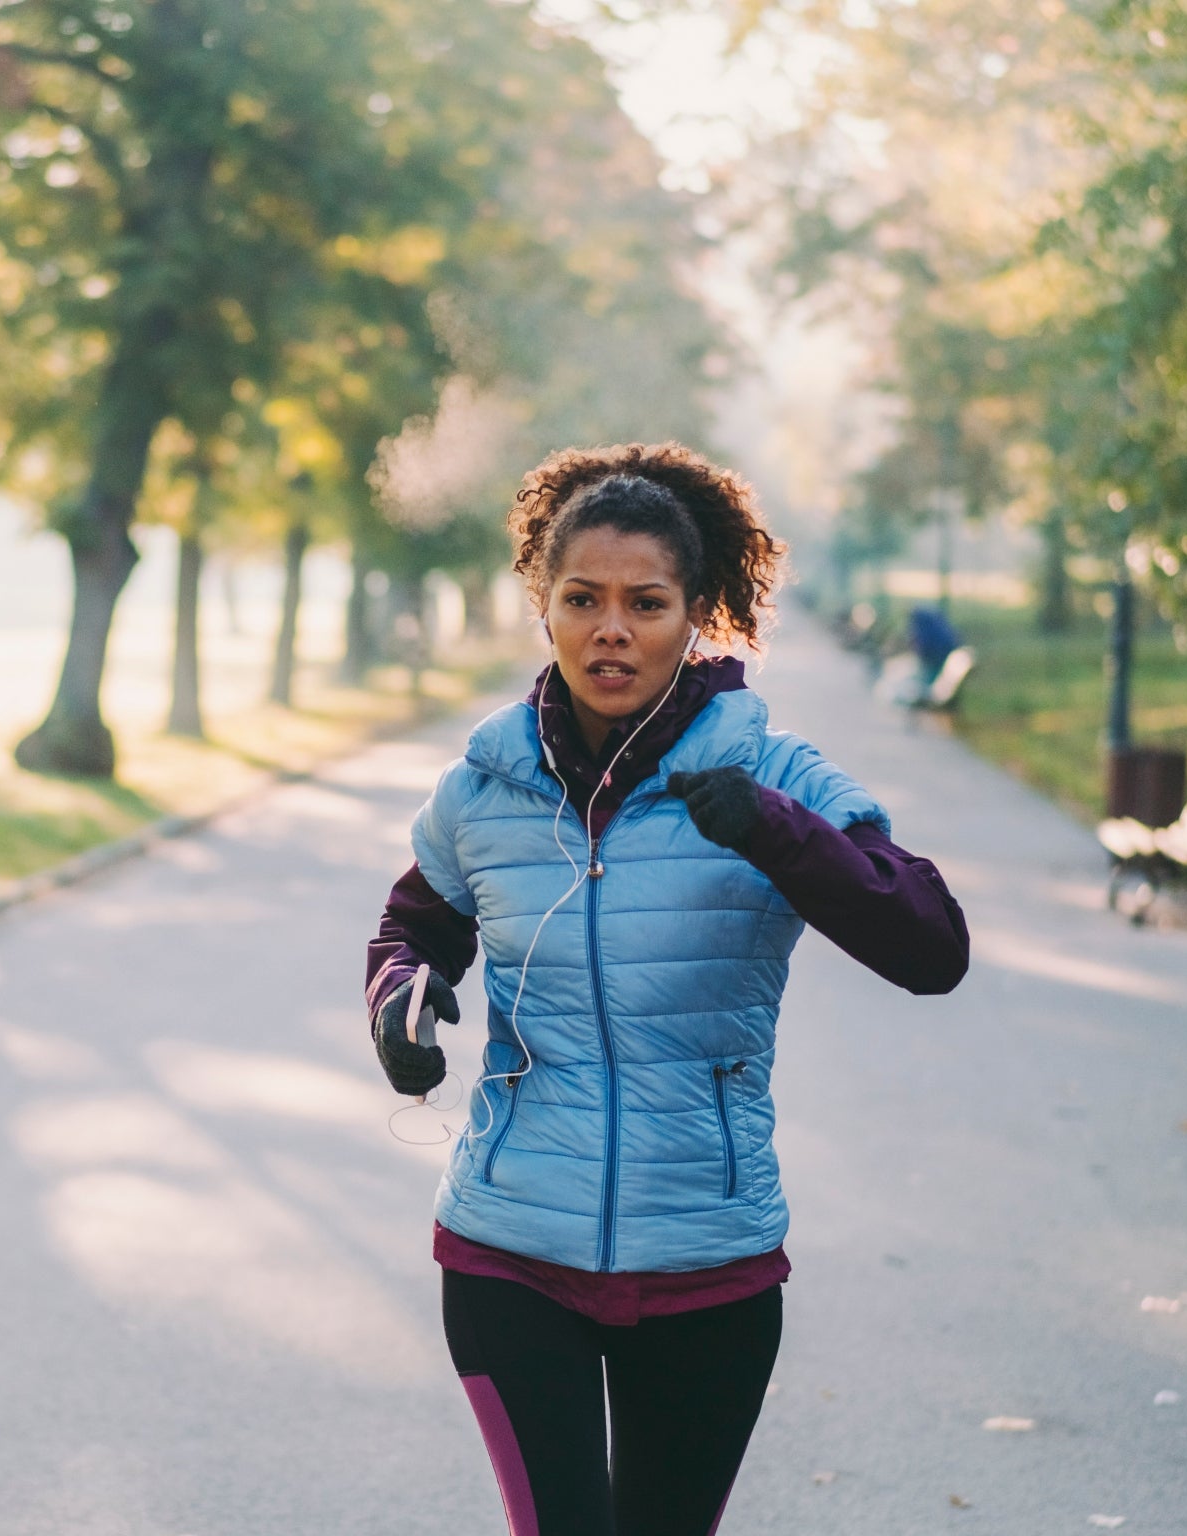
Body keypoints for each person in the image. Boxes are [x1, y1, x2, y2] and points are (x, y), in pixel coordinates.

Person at [365, 443, 969, 1536]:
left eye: (644, 603)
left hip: (707, 1263)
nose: (610, 630)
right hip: (510, 1250)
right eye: (580, 599)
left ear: (696, 612)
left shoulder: (776, 775)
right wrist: (397, 1001)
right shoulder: (484, 786)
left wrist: (772, 832)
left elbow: (929, 944)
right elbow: (414, 926)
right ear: (539, 607)